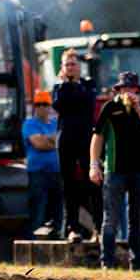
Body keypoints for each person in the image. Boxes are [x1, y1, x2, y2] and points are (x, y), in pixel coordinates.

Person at [91, 71, 140, 269]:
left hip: (138, 169)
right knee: (110, 217)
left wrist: (139, 109)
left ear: (137, 89)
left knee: (135, 218)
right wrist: (94, 165)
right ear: (118, 90)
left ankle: (136, 263)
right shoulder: (110, 107)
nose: (128, 91)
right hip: (114, 170)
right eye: (124, 88)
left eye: (131, 88)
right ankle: (107, 263)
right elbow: (97, 137)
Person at [51, 48, 100, 241]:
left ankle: (98, 227)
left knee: (93, 184)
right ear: (62, 68)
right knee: (69, 185)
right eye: (67, 65)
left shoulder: (89, 84)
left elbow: (88, 103)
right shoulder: (59, 87)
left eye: (73, 64)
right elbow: (59, 104)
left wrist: (75, 89)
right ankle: (72, 228)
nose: (70, 68)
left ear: (79, 67)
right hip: (66, 139)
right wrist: (67, 85)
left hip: (86, 139)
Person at [23, 90, 63, 237]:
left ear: (50, 106)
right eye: (38, 104)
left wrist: (49, 140)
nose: (42, 107)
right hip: (37, 172)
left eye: (45, 104)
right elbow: (39, 144)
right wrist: (54, 141)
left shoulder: (56, 123)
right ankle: (33, 240)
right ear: (34, 106)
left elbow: (61, 141)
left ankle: (56, 237)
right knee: (38, 208)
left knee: (57, 209)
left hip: (57, 172)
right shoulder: (29, 124)